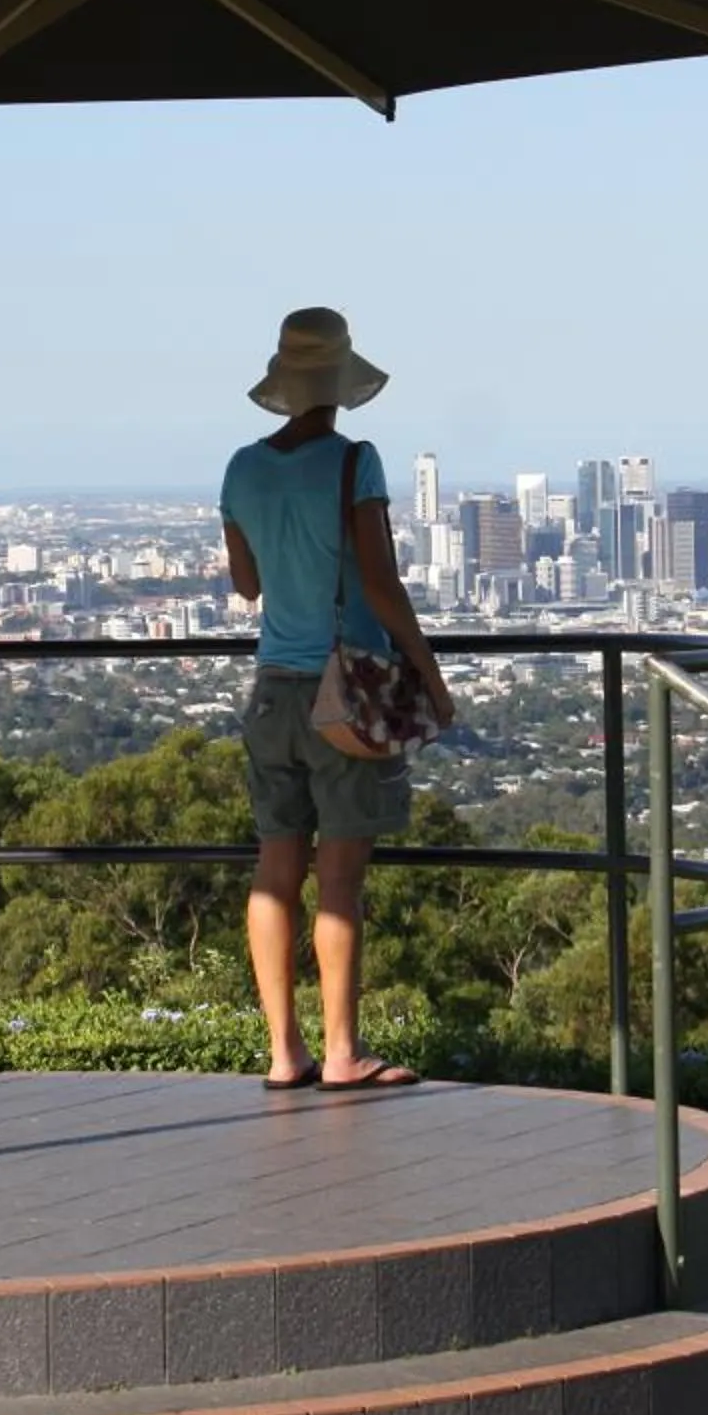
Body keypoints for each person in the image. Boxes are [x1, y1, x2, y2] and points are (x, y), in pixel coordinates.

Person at [219, 307, 455, 1093]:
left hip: (271, 695)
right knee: (341, 882)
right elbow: (382, 583)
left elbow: (246, 585)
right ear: (340, 380)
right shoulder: (356, 463)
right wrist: (431, 678)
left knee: (274, 871)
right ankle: (344, 1052)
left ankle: (284, 1053)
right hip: (344, 698)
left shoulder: (242, 468)